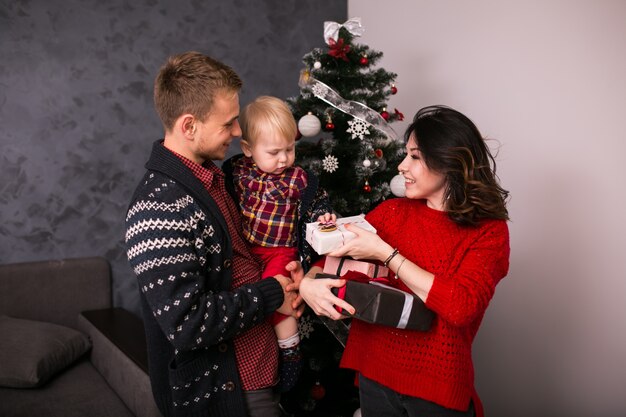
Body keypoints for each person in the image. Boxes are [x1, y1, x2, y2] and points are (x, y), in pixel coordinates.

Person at [292, 105, 510, 417]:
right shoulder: (392, 213)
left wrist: (386, 254)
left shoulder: (488, 232)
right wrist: (310, 285)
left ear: (450, 162)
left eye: (416, 157)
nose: (402, 166)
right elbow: (330, 261)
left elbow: (461, 306)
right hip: (375, 377)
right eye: (406, 154)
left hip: (436, 389)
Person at [125, 51, 301, 417]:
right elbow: (188, 324)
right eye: (228, 124)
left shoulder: (216, 178)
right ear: (189, 126)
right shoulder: (158, 208)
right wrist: (273, 293)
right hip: (226, 395)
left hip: (260, 373)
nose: (238, 133)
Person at [221, 95, 335, 392]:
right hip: (246, 250)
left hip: (280, 251)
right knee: (244, 297)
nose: (284, 159)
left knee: (280, 297)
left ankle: (290, 349)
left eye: (290, 149)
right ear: (248, 149)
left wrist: (324, 218)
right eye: (274, 152)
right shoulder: (237, 172)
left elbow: (318, 205)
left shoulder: (298, 179)